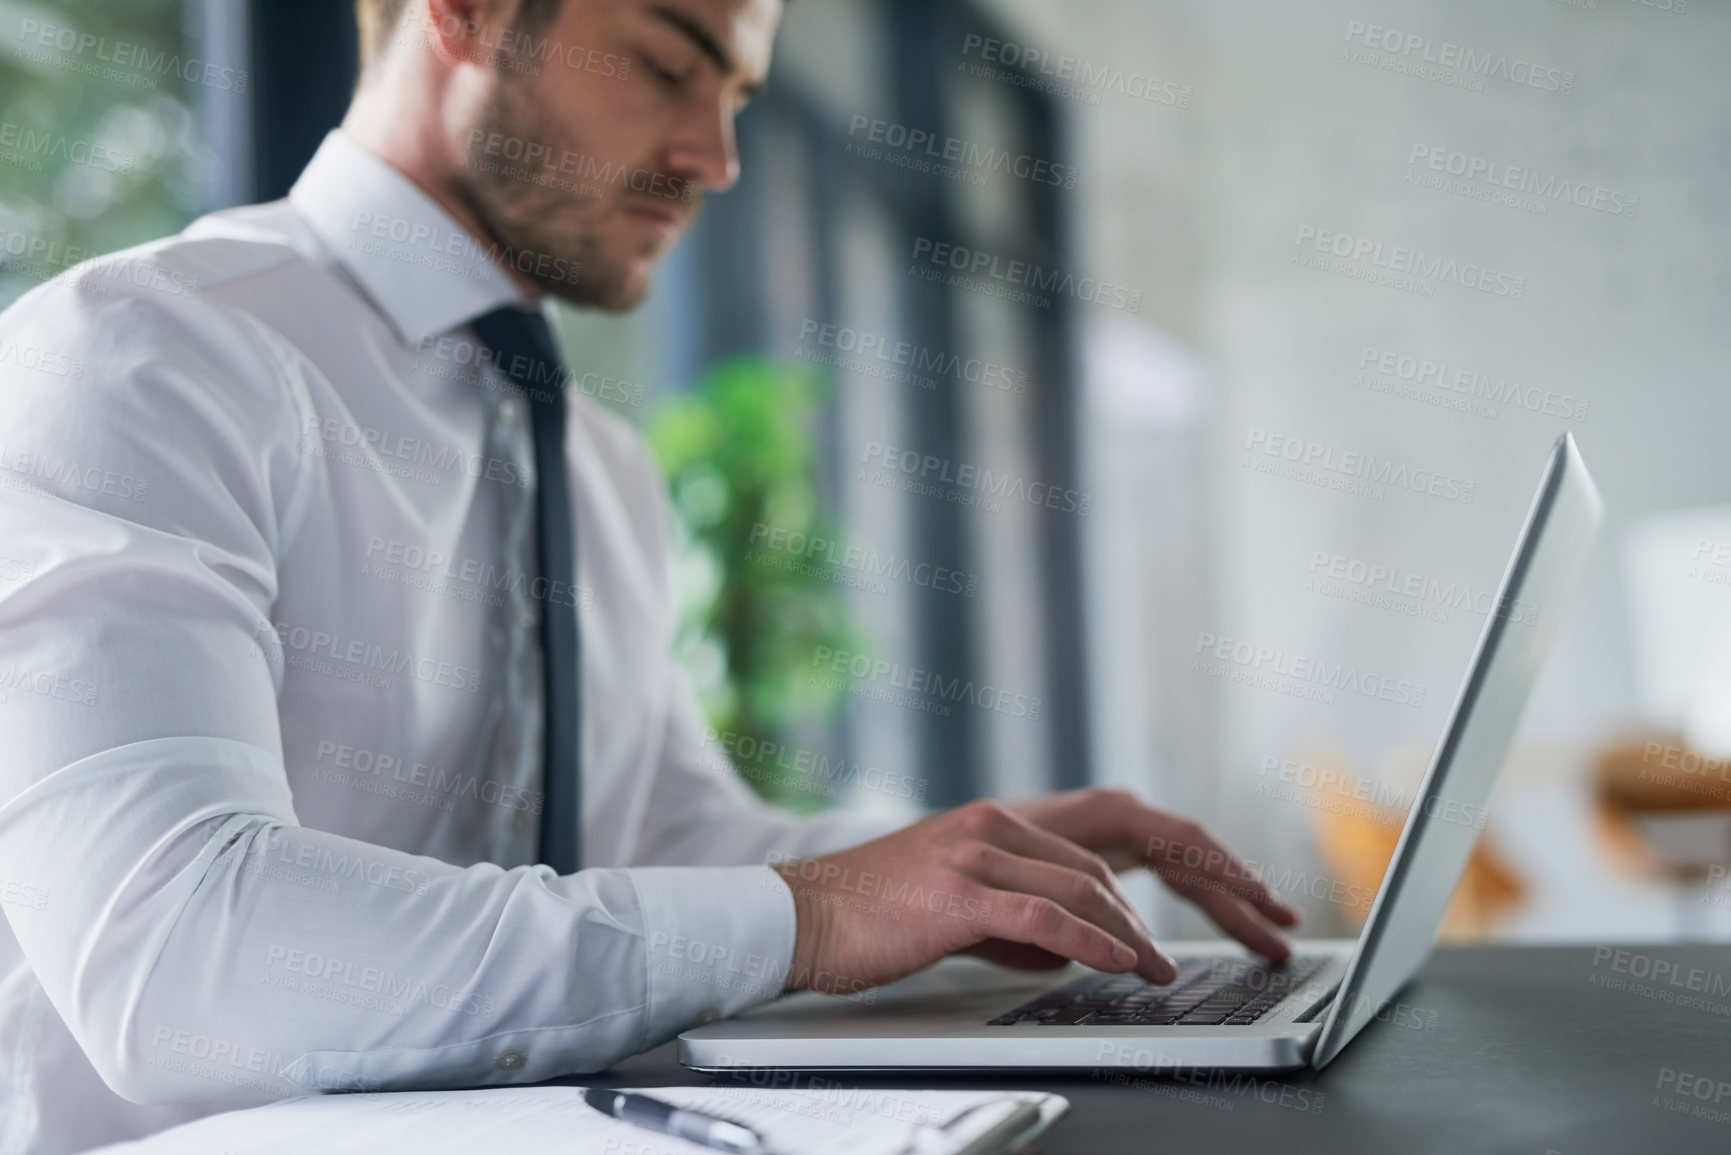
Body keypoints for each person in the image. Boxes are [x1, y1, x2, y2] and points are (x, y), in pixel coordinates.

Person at [0, 1, 1297, 1150]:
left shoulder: (596, 465)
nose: (715, 160)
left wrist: (963, 869)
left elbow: (675, 844)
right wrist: (810, 914)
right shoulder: (142, 357)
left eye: (734, 96)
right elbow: (174, 958)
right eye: (670, 62)